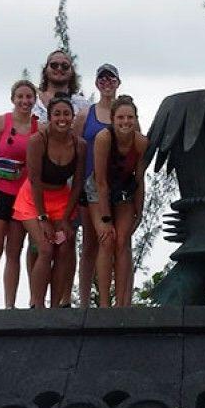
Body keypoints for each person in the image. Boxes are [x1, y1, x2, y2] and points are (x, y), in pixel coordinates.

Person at [12, 94, 86, 308]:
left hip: (62, 198)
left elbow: (78, 182)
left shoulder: (79, 145)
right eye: (57, 114)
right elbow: (34, 179)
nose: (62, 118)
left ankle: (55, 306)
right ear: (50, 116)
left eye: (66, 114)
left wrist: (65, 219)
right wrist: (43, 218)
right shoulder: (38, 140)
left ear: (72, 117)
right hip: (34, 198)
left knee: (63, 247)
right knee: (44, 247)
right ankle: (37, 304)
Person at [33, 50, 90, 305]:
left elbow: (80, 141)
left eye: (64, 65)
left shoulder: (81, 103)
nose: (59, 69)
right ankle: (37, 300)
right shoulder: (30, 99)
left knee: (66, 242)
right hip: (36, 182)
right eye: (54, 65)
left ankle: (64, 298)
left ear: (71, 70)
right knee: (38, 245)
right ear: (45, 69)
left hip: (67, 184)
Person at [0, 80, 39, 309]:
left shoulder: (38, 128)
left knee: (15, 251)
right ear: (13, 99)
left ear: (34, 100)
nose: (25, 101)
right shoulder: (0, 122)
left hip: (21, 197)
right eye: (20, 97)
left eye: (29, 97)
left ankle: (10, 305)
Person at [87, 94, 148, 307]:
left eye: (129, 117)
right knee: (107, 239)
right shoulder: (104, 138)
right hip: (99, 189)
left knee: (123, 241)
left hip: (123, 190)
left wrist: (139, 213)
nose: (125, 122)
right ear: (113, 119)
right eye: (121, 118)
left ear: (135, 119)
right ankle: (104, 303)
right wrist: (105, 218)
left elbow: (139, 180)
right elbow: (101, 182)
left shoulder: (141, 143)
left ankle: (123, 304)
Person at [73, 63, 121, 307]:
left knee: (116, 242)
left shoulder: (124, 113)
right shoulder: (85, 115)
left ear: (118, 83)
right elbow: (76, 150)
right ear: (96, 83)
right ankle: (84, 302)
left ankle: (116, 299)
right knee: (90, 243)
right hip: (89, 186)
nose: (106, 83)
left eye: (111, 79)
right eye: (102, 79)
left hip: (116, 186)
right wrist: (76, 185)